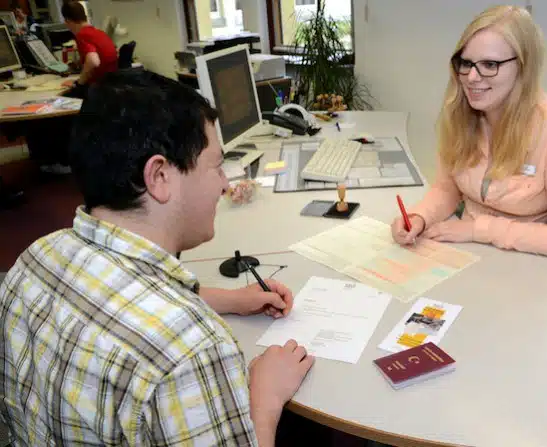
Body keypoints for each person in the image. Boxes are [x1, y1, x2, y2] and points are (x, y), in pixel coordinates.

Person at [0, 70, 314, 446]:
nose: (224, 184)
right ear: (160, 176)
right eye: (215, 166)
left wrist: (231, 299)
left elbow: (113, 303)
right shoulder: (192, 349)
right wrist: (266, 397)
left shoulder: (36, 258)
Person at [392, 5, 547, 260]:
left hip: (532, 261)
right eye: (466, 63)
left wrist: (479, 230)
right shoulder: (461, 114)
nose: (472, 77)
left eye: (490, 64)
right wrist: (419, 217)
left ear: (524, 67)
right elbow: (448, 188)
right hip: (465, 253)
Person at [61, 1, 118, 98]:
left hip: (98, 90)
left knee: (61, 99)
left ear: (68, 21)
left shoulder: (82, 35)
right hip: (111, 87)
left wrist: (79, 83)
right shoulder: (100, 33)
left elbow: (93, 61)